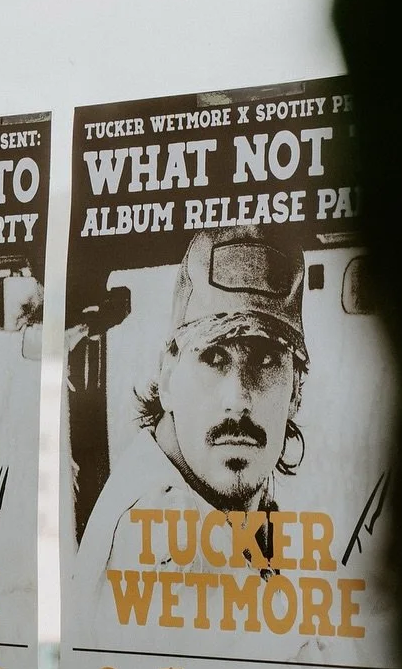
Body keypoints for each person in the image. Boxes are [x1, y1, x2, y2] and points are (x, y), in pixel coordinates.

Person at [72, 225, 308, 638]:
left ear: (296, 390)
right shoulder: (173, 535)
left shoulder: (179, 486)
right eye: (213, 357)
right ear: (168, 375)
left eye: (267, 359)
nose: (239, 397)